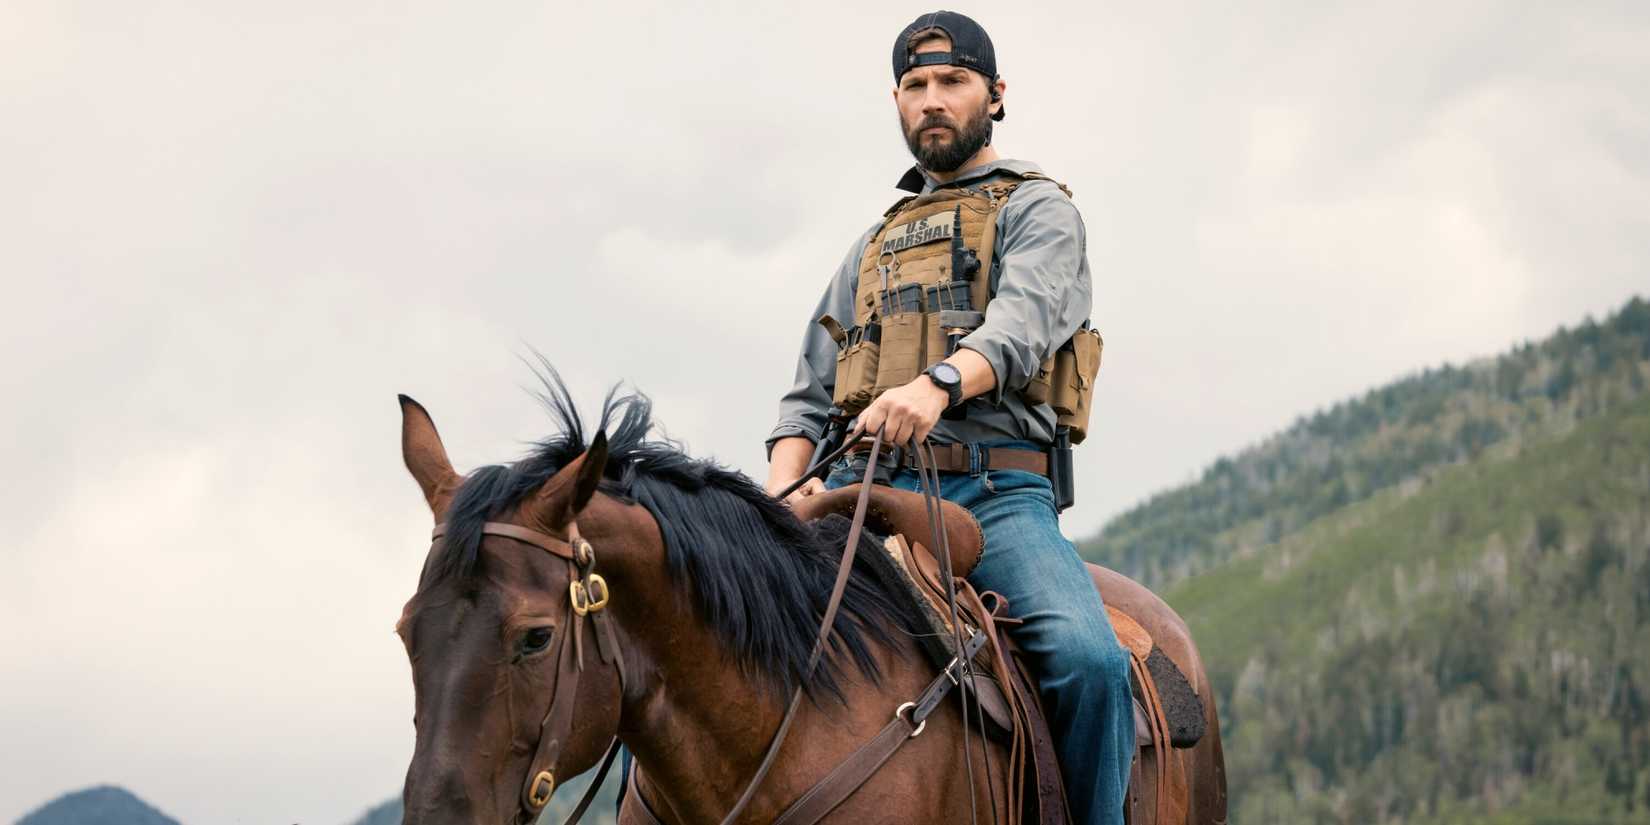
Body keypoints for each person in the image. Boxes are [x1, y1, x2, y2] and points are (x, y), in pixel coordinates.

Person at [762, 11, 1135, 825]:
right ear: (896, 101)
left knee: (1090, 663)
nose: (933, 100)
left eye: (953, 82)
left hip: (993, 497)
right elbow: (806, 397)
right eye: (916, 85)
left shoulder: (1038, 211)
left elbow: (1021, 326)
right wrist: (781, 493)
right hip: (857, 492)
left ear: (994, 97)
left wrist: (934, 385)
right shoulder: (871, 246)